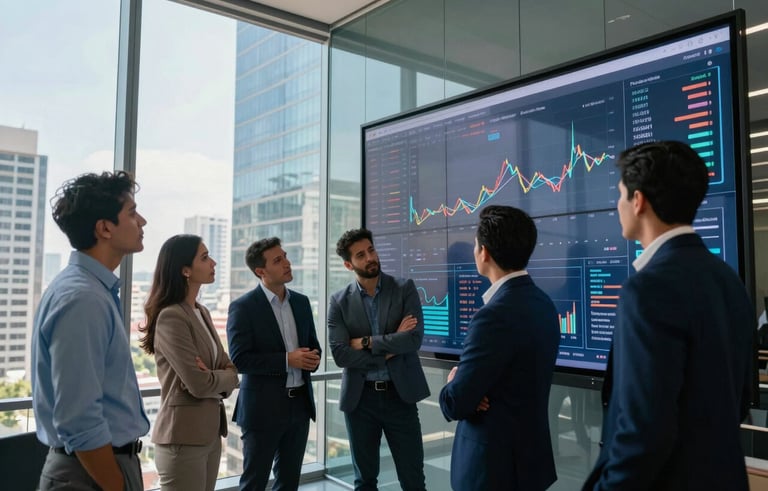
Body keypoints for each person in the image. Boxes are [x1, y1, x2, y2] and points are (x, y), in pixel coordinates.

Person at [583, 141, 755, 490]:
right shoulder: (727, 279)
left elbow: (642, 433)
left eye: (620, 195)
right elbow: (738, 400)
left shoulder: (647, 290)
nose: (617, 206)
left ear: (638, 200)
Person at [31, 171, 149, 491]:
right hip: (90, 474)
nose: (143, 221)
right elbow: (79, 418)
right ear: (104, 228)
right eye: (131, 212)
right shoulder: (82, 298)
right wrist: (115, 485)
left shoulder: (90, 290)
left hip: (97, 467)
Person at [439, 205, 560, 491]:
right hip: (530, 464)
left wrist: (455, 382)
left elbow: (456, 402)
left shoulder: (492, 316)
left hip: (492, 470)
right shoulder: (544, 303)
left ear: (484, 252)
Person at [328, 228, 430, 491]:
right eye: (361, 255)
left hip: (400, 396)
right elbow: (340, 354)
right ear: (349, 264)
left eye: (371, 250)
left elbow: (414, 339)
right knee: (365, 481)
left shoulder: (403, 288)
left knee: (413, 479)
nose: (370, 257)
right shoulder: (338, 301)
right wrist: (391, 345)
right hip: (360, 401)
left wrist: (366, 343)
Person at [139, 235, 239, 491]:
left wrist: (219, 376)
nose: (213, 263)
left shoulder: (202, 311)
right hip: (182, 437)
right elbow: (197, 383)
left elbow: (231, 370)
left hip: (210, 434)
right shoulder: (171, 316)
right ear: (185, 269)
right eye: (204, 258)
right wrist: (220, 376)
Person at [226, 237, 321, 491]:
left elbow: (313, 346)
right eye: (278, 260)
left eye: (286, 256)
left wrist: (313, 358)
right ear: (261, 271)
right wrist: (288, 359)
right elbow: (239, 359)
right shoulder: (243, 307)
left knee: (289, 483)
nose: (287, 263)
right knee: (254, 483)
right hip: (262, 411)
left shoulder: (301, 302)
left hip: (299, 406)